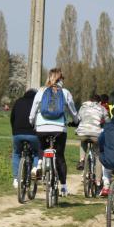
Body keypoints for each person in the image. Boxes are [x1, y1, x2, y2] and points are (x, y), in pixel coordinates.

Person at [29, 68, 79, 197]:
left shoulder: (41, 91)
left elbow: (33, 110)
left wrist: (33, 123)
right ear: (61, 79)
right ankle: (63, 187)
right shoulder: (66, 92)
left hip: (41, 127)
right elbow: (73, 112)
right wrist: (76, 121)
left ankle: (39, 163)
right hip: (59, 129)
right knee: (60, 157)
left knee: (41, 145)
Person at [10, 89, 40, 188]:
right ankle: (35, 169)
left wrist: (14, 130)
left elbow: (12, 118)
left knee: (16, 153)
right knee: (37, 152)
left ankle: (15, 179)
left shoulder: (18, 101)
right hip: (33, 134)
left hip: (17, 133)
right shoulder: (37, 103)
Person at [75, 93, 108, 181]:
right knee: (98, 156)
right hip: (96, 134)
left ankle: (82, 160)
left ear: (89, 100)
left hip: (83, 132)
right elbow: (108, 120)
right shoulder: (102, 108)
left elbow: (78, 118)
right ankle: (97, 181)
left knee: (83, 140)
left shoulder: (83, 106)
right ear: (99, 101)